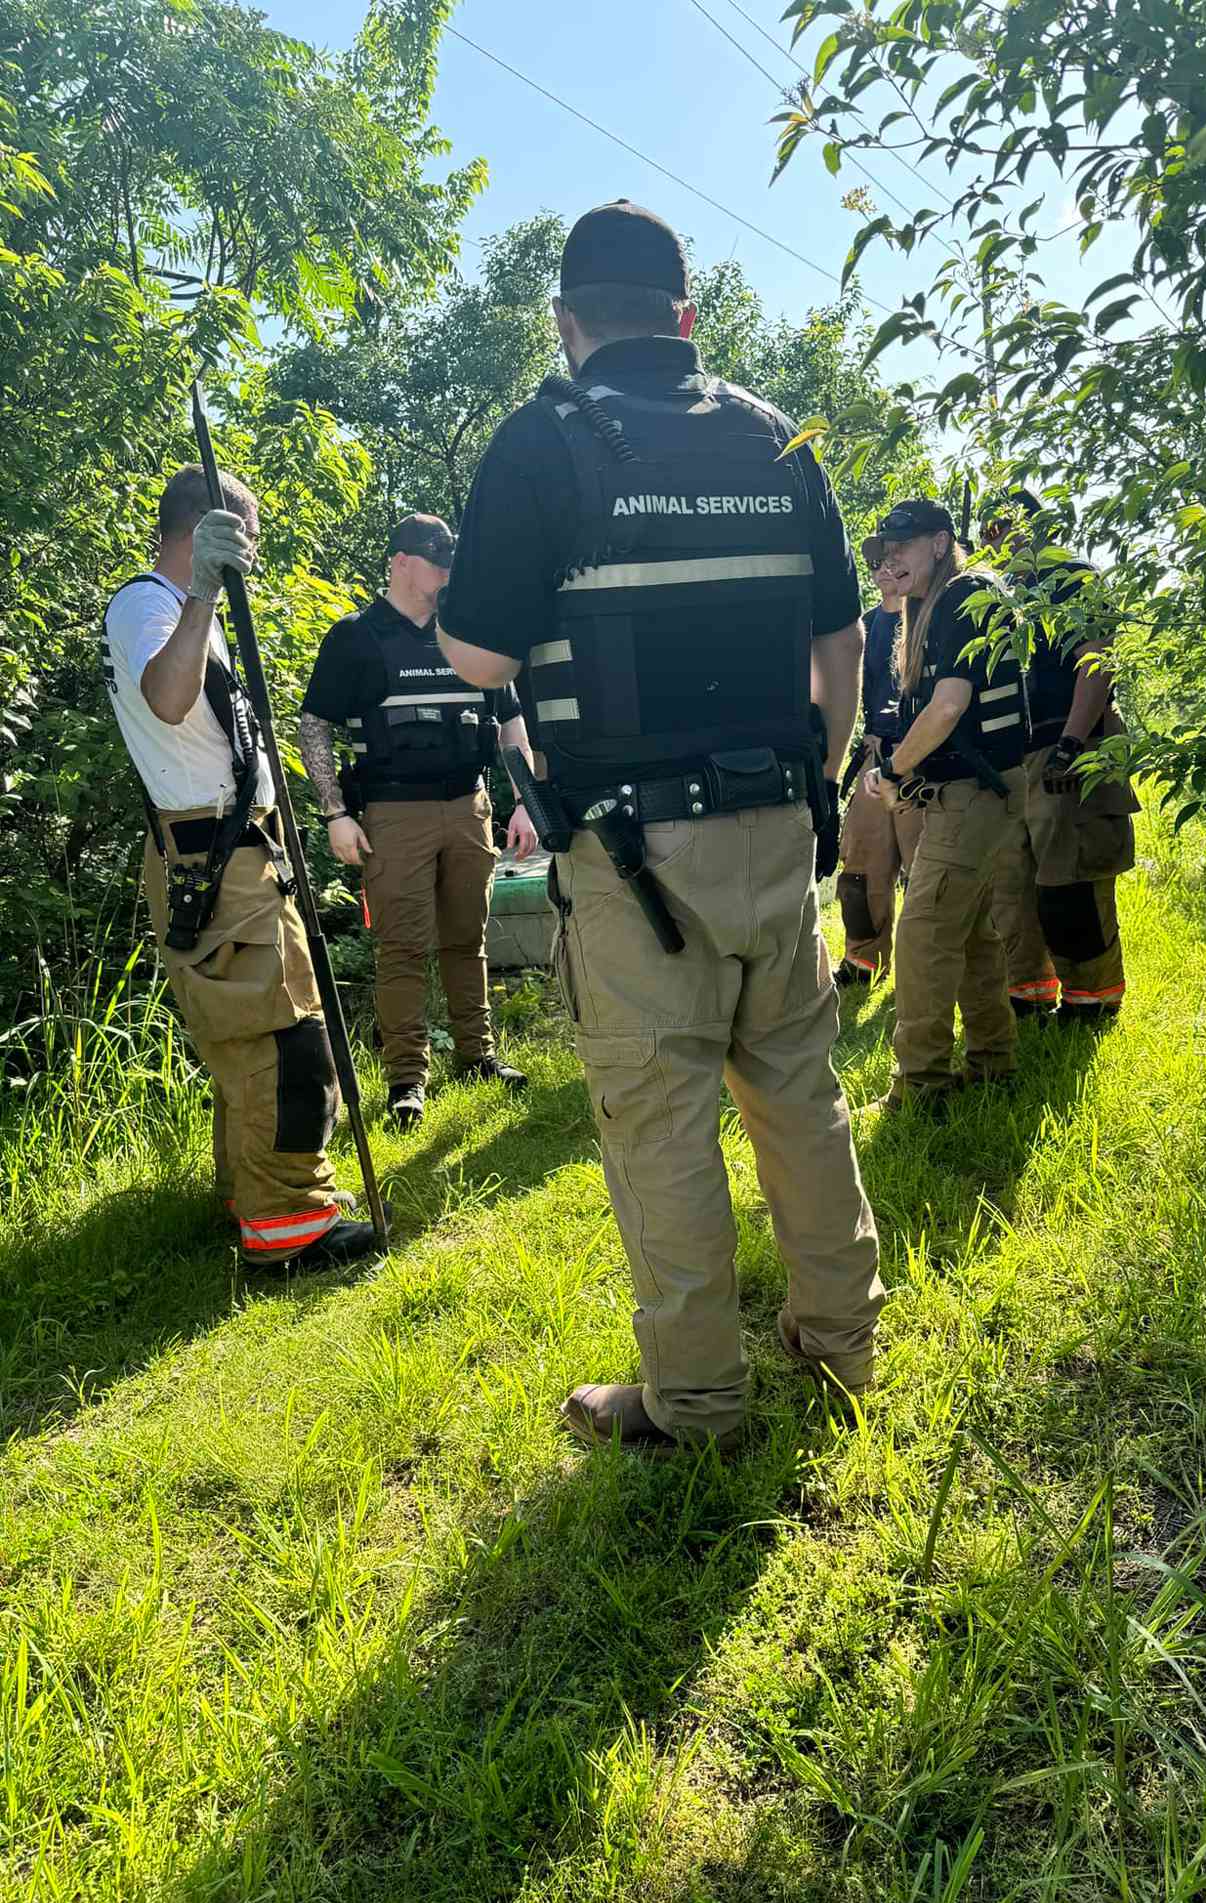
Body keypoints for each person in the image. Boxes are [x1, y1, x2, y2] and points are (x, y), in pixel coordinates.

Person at [436, 198, 884, 1456]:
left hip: (635, 861)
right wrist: (822, 785)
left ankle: (694, 1406)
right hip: (777, 832)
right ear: (689, 317)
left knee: (664, 1123)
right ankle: (845, 1343)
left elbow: (476, 654)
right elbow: (841, 640)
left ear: (566, 323)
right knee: (800, 1090)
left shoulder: (541, 441)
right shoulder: (778, 441)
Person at [101, 468, 376, 1270]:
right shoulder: (150, 604)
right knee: (280, 1043)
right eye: (243, 538)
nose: (250, 554)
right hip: (210, 858)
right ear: (210, 532)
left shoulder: (186, 611)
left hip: (235, 850)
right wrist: (205, 596)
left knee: (254, 1034)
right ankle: (291, 1227)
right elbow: (167, 698)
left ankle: (260, 1196)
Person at [298, 515, 536, 1130]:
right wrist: (335, 814)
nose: (446, 571)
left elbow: (509, 720)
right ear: (400, 561)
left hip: (469, 808)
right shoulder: (355, 636)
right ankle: (407, 1078)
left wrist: (524, 802)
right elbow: (314, 726)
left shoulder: (469, 635)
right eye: (435, 559)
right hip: (392, 814)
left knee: (469, 938)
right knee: (402, 948)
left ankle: (477, 1056)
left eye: (450, 559)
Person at [863, 499, 1022, 1107]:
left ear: (939, 543)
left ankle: (922, 1085)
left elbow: (950, 705)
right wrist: (905, 774)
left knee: (924, 932)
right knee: (974, 933)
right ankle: (993, 1062)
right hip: (969, 791)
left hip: (978, 795)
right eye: (885, 550)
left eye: (903, 545)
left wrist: (892, 766)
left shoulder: (963, 596)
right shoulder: (934, 604)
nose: (890, 558)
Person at [981, 496, 1138, 1025]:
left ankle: (1092, 1002)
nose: (991, 540)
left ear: (1031, 524)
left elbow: (1096, 663)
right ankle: (1028, 994)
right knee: (1011, 885)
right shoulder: (994, 597)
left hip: (1070, 748)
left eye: (1000, 526)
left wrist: (1071, 745)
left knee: (1069, 882)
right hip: (1009, 759)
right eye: (985, 531)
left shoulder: (1074, 578)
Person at [832, 556, 923, 985]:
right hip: (875, 757)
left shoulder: (929, 616)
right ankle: (863, 961)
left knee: (926, 871)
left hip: (923, 761)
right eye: (875, 563)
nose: (884, 569)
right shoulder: (865, 627)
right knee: (860, 865)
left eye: (892, 561)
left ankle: (926, 971)